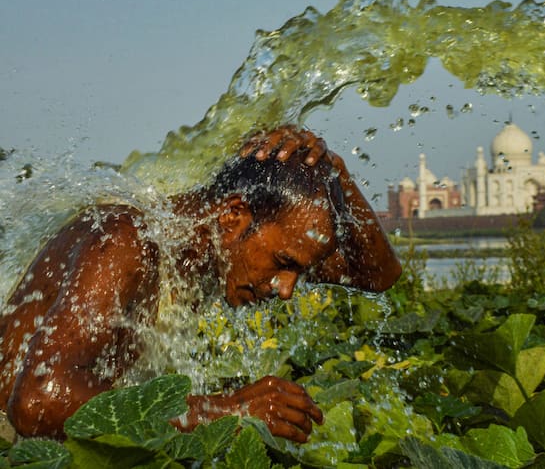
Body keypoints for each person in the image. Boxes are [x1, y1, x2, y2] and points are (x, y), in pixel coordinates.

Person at [0, 126, 402, 442]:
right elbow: (37, 403)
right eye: (283, 264)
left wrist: (333, 170)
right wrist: (223, 413)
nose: (286, 289)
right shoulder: (124, 240)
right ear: (233, 216)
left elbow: (377, 275)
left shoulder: (224, 251)